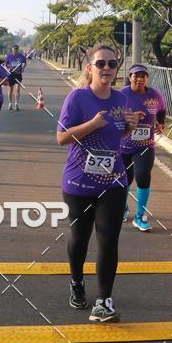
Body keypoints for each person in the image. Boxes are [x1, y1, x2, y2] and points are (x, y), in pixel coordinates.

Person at [57, 43, 139, 323]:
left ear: (117, 70)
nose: (106, 68)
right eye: (101, 63)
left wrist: (128, 126)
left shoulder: (120, 99)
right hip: (79, 182)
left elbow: (119, 137)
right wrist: (91, 124)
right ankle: (77, 281)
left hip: (113, 182)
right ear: (89, 68)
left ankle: (103, 301)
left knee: (108, 239)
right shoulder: (77, 98)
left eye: (112, 64)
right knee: (80, 238)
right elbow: (61, 137)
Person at [118, 64, 166, 231]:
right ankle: (122, 207)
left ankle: (140, 216)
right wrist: (130, 118)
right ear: (130, 77)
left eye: (143, 76)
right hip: (123, 145)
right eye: (136, 76)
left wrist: (161, 124)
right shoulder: (122, 94)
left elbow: (161, 111)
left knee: (143, 176)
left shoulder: (155, 95)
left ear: (147, 78)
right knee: (125, 180)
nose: (139, 79)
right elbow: (113, 117)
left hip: (145, 145)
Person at [4, 44, 27, 109]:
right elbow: (5, 64)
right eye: (14, 49)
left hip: (18, 74)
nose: (15, 50)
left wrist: (23, 68)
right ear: (12, 50)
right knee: (11, 89)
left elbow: (25, 63)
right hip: (11, 74)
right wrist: (8, 68)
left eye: (16, 49)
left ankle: (16, 104)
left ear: (18, 49)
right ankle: (10, 104)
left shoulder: (21, 56)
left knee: (17, 89)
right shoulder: (9, 56)